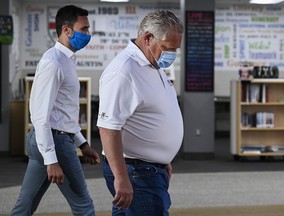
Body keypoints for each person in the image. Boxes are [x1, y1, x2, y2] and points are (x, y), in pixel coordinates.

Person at [10, 5, 100, 216]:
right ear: (67, 30)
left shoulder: (67, 60)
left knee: (26, 204)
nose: (88, 34)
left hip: (51, 138)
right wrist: (51, 160)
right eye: (84, 29)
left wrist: (83, 143)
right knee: (83, 205)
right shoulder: (53, 61)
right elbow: (41, 115)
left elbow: (62, 112)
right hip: (54, 141)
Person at [97, 10, 184, 216]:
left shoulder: (152, 65)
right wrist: (121, 177)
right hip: (136, 172)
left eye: (175, 50)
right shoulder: (124, 71)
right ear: (147, 38)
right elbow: (108, 127)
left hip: (150, 168)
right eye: (167, 48)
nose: (171, 55)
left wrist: (164, 160)